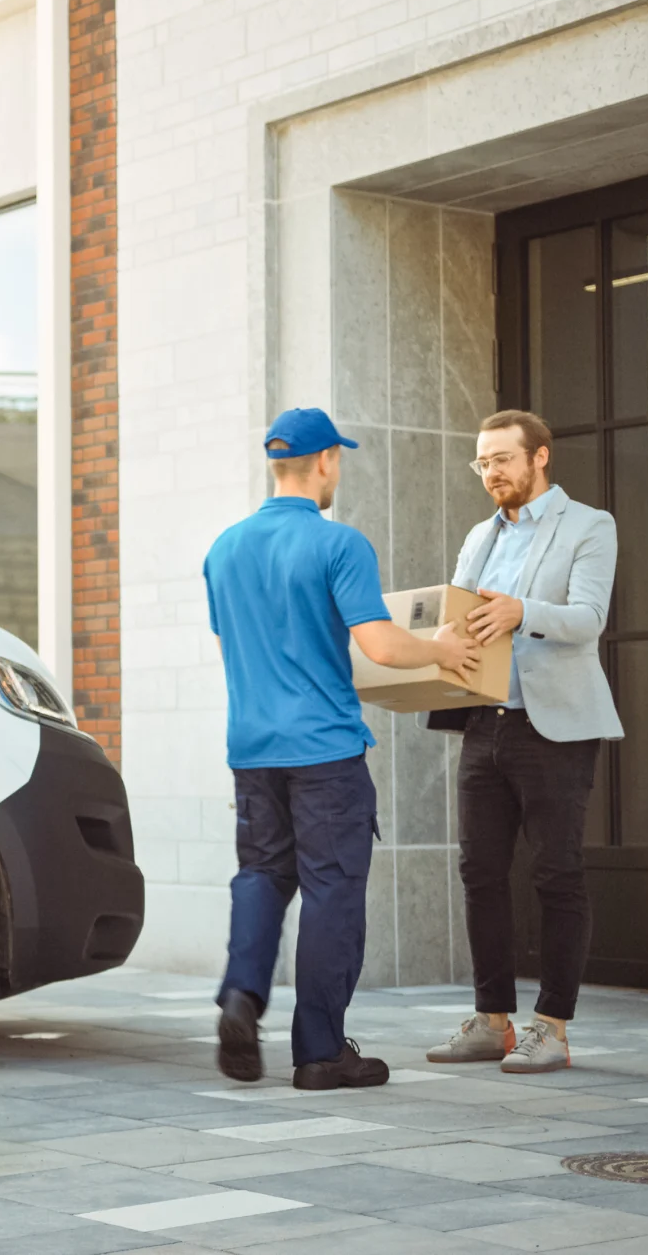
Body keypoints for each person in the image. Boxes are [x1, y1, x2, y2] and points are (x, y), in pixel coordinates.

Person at [206, 408, 479, 1089]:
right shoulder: (338, 543)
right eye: (339, 459)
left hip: (252, 749)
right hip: (324, 751)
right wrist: (441, 648)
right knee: (331, 891)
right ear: (325, 460)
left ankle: (241, 996)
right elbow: (382, 643)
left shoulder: (224, 549)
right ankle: (322, 1052)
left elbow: (242, 644)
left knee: (263, 876)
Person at [427, 410, 622, 1075]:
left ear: (540, 457)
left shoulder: (590, 525)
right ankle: (492, 1021)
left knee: (556, 872)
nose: (492, 473)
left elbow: (589, 618)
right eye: (483, 462)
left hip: (556, 726)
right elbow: (460, 617)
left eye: (503, 459)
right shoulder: (480, 536)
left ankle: (553, 1028)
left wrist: (522, 612)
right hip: (486, 722)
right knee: (480, 871)